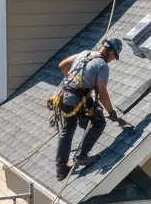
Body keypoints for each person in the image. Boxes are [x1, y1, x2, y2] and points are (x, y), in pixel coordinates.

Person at [54, 38, 128, 180]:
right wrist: (111, 112)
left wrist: (74, 80)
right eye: (114, 56)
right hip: (77, 99)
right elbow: (102, 93)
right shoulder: (102, 65)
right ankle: (80, 156)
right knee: (99, 122)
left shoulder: (85, 53)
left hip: (65, 95)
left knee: (68, 129)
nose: (112, 59)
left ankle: (61, 169)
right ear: (111, 52)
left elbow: (62, 66)